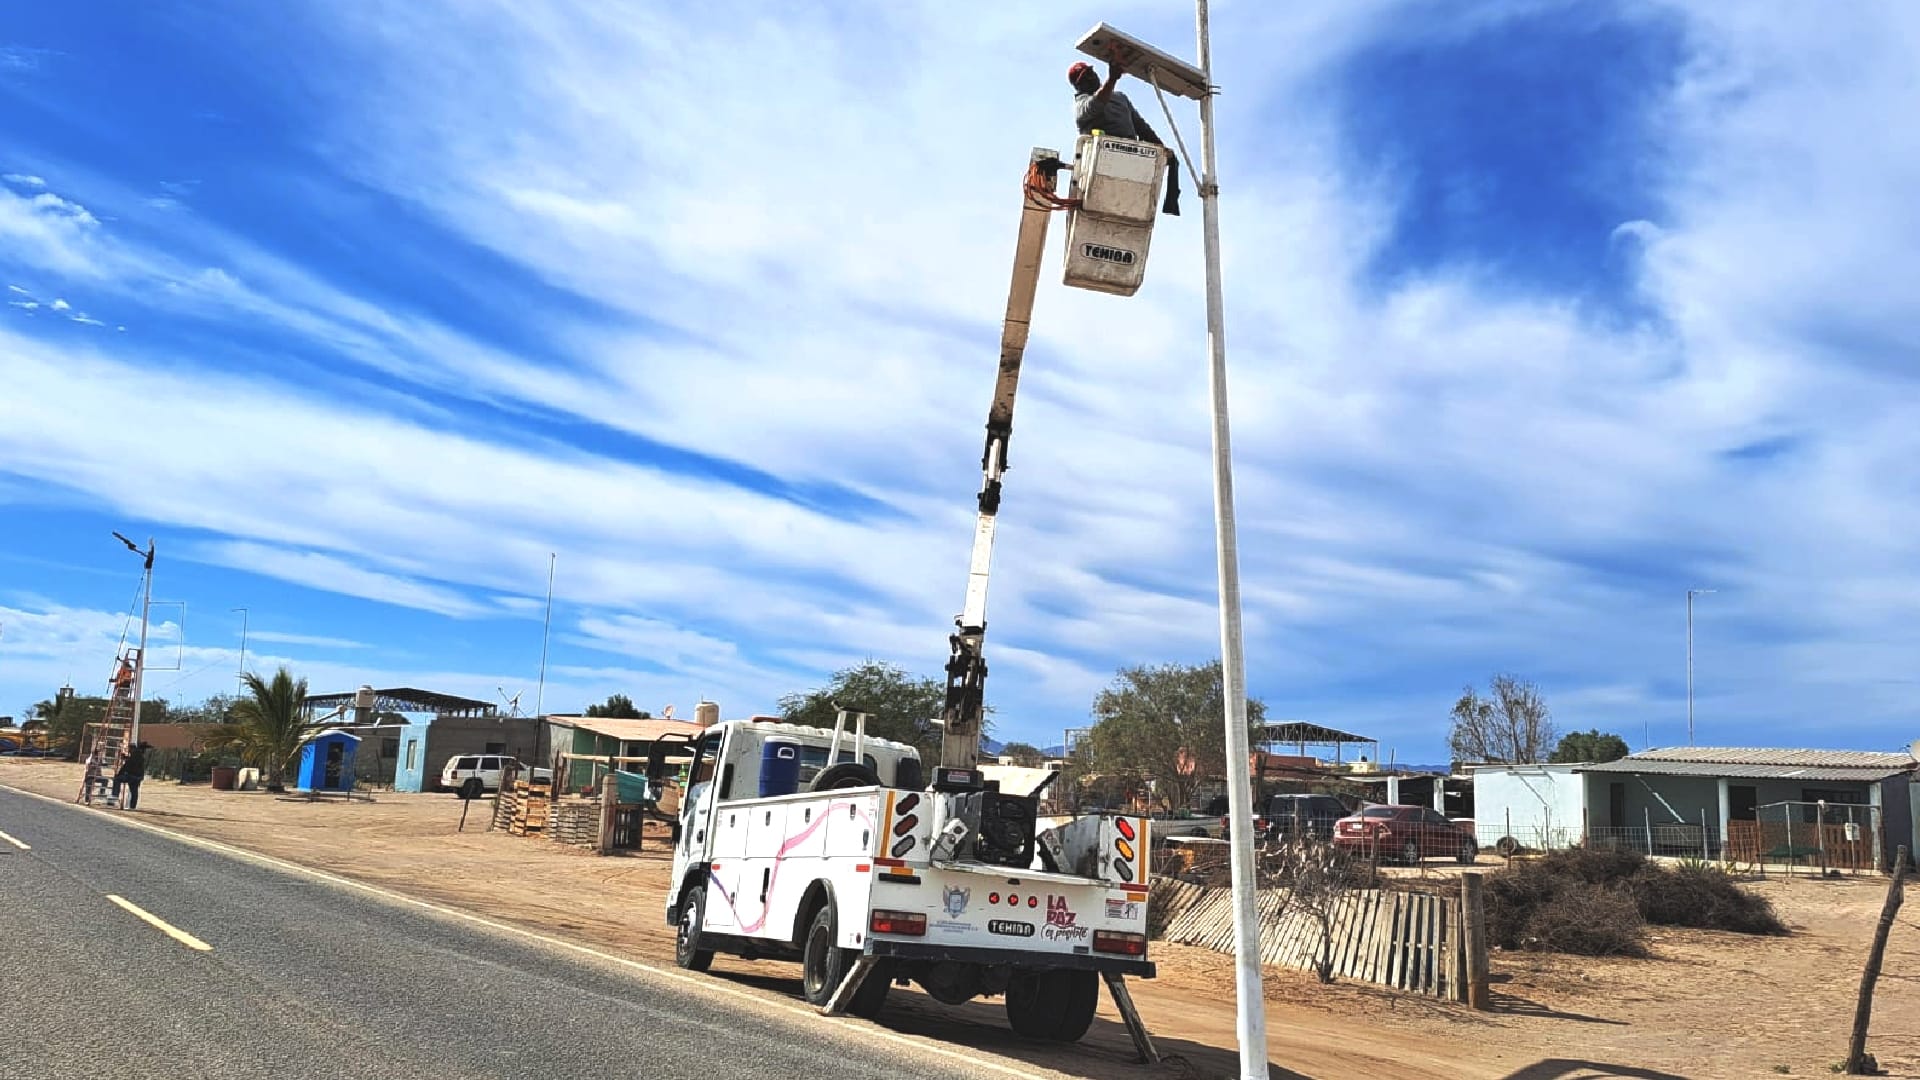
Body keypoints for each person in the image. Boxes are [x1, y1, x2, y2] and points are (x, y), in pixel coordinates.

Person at [1069, 52, 1181, 216]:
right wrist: (1112, 79)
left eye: (1091, 74)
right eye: (1085, 78)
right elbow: (1096, 104)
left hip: (1130, 160)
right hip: (1102, 163)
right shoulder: (1081, 104)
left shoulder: (1120, 98)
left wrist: (1164, 152)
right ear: (1079, 87)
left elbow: (1141, 128)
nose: (1092, 78)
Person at [113, 741, 151, 811]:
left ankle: (115, 795)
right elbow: (133, 762)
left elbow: (127, 765)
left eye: (130, 749)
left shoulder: (135, 754)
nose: (129, 750)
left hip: (131, 775)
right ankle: (133, 807)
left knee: (117, 779)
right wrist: (126, 758)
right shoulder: (140, 755)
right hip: (138, 776)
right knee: (134, 791)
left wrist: (119, 774)